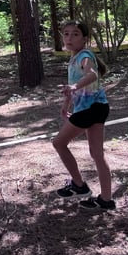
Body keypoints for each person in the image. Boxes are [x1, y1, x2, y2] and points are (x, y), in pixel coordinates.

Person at [52, 21, 114, 211]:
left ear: (85, 39)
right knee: (97, 154)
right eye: (66, 34)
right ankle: (106, 199)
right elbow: (75, 86)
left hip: (90, 109)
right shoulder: (75, 58)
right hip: (99, 107)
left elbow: (93, 75)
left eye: (75, 34)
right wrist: (66, 105)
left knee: (59, 143)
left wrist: (74, 87)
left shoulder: (85, 56)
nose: (69, 38)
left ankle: (79, 186)